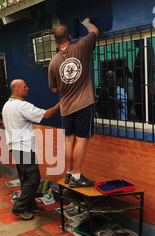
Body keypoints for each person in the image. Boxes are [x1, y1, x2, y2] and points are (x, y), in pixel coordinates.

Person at [48, 19, 99, 188]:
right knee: (82, 140)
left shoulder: (53, 62)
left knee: (69, 140)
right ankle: (77, 176)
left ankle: (69, 173)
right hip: (83, 104)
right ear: (70, 36)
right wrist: (87, 23)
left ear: (56, 41)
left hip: (66, 107)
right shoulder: (81, 47)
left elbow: (54, 90)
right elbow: (95, 31)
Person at [2, 79, 60, 220]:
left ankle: (30, 204)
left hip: (15, 147)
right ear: (17, 91)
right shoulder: (22, 106)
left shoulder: (7, 105)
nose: (28, 88)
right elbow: (46, 115)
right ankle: (20, 207)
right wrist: (60, 104)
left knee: (25, 178)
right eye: (24, 86)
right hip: (24, 148)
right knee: (33, 179)